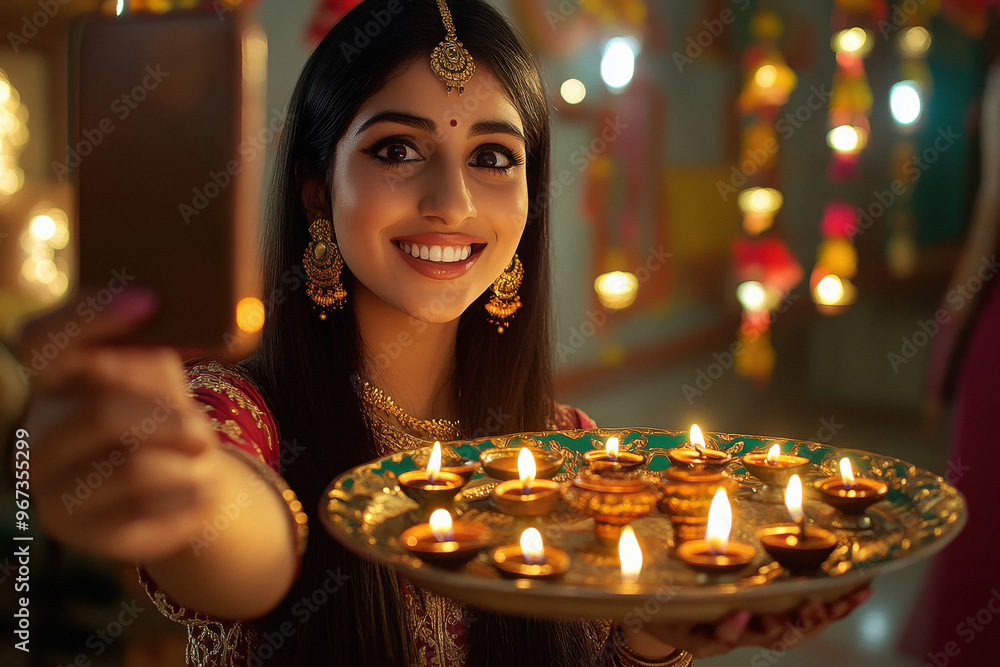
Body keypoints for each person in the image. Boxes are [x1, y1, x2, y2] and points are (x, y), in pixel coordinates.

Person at [20, 1, 870, 665]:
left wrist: (664, 632)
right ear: (318, 192)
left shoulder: (568, 451)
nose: (453, 204)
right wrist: (184, 494)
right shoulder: (241, 417)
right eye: (396, 149)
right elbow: (242, 536)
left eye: (494, 158)